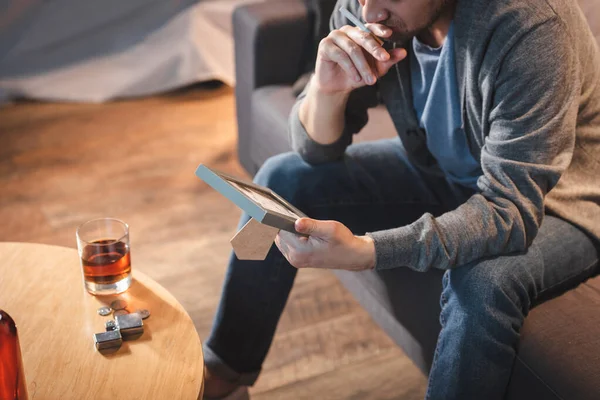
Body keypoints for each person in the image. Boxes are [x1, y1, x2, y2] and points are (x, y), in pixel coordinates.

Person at [202, 0, 600, 398]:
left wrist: (370, 250)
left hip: (557, 200)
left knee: (481, 282)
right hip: (444, 172)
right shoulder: (372, 10)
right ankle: (225, 373)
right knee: (280, 177)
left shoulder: (531, 26)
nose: (370, 12)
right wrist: (325, 90)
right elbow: (316, 152)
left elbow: (509, 210)